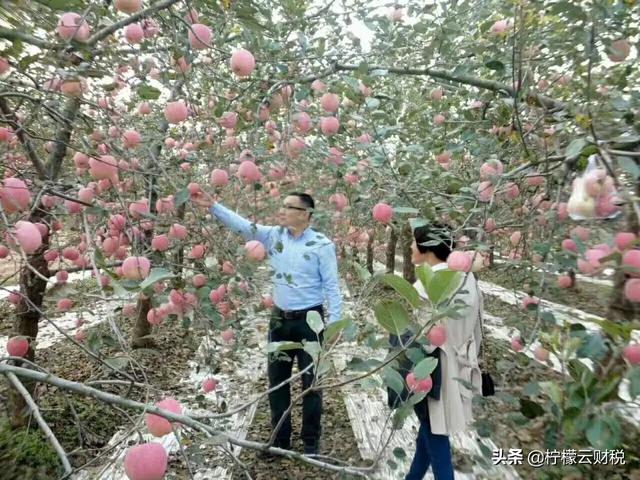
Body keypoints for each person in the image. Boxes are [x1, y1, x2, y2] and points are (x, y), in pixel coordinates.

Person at [192, 190, 342, 456]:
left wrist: (335, 326)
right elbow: (243, 226)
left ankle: (310, 441)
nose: (282, 210)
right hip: (280, 321)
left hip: (311, 322)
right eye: (282, 205)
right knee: (278, 382)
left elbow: (332, 287)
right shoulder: (273, 236)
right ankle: (280, 439)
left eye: (289, 206)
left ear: (305, 214)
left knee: (312, 383)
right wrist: (214, 206)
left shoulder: (322, 245)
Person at [388, 223, 483, 480]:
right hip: (459, 363)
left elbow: (425, 340)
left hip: (433, 369)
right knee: (431, 429)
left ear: (427, 248)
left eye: (413, 242)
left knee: (435, 433)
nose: (409, 247)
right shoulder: (467, 278)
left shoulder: (427, 287)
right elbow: (477, 326)